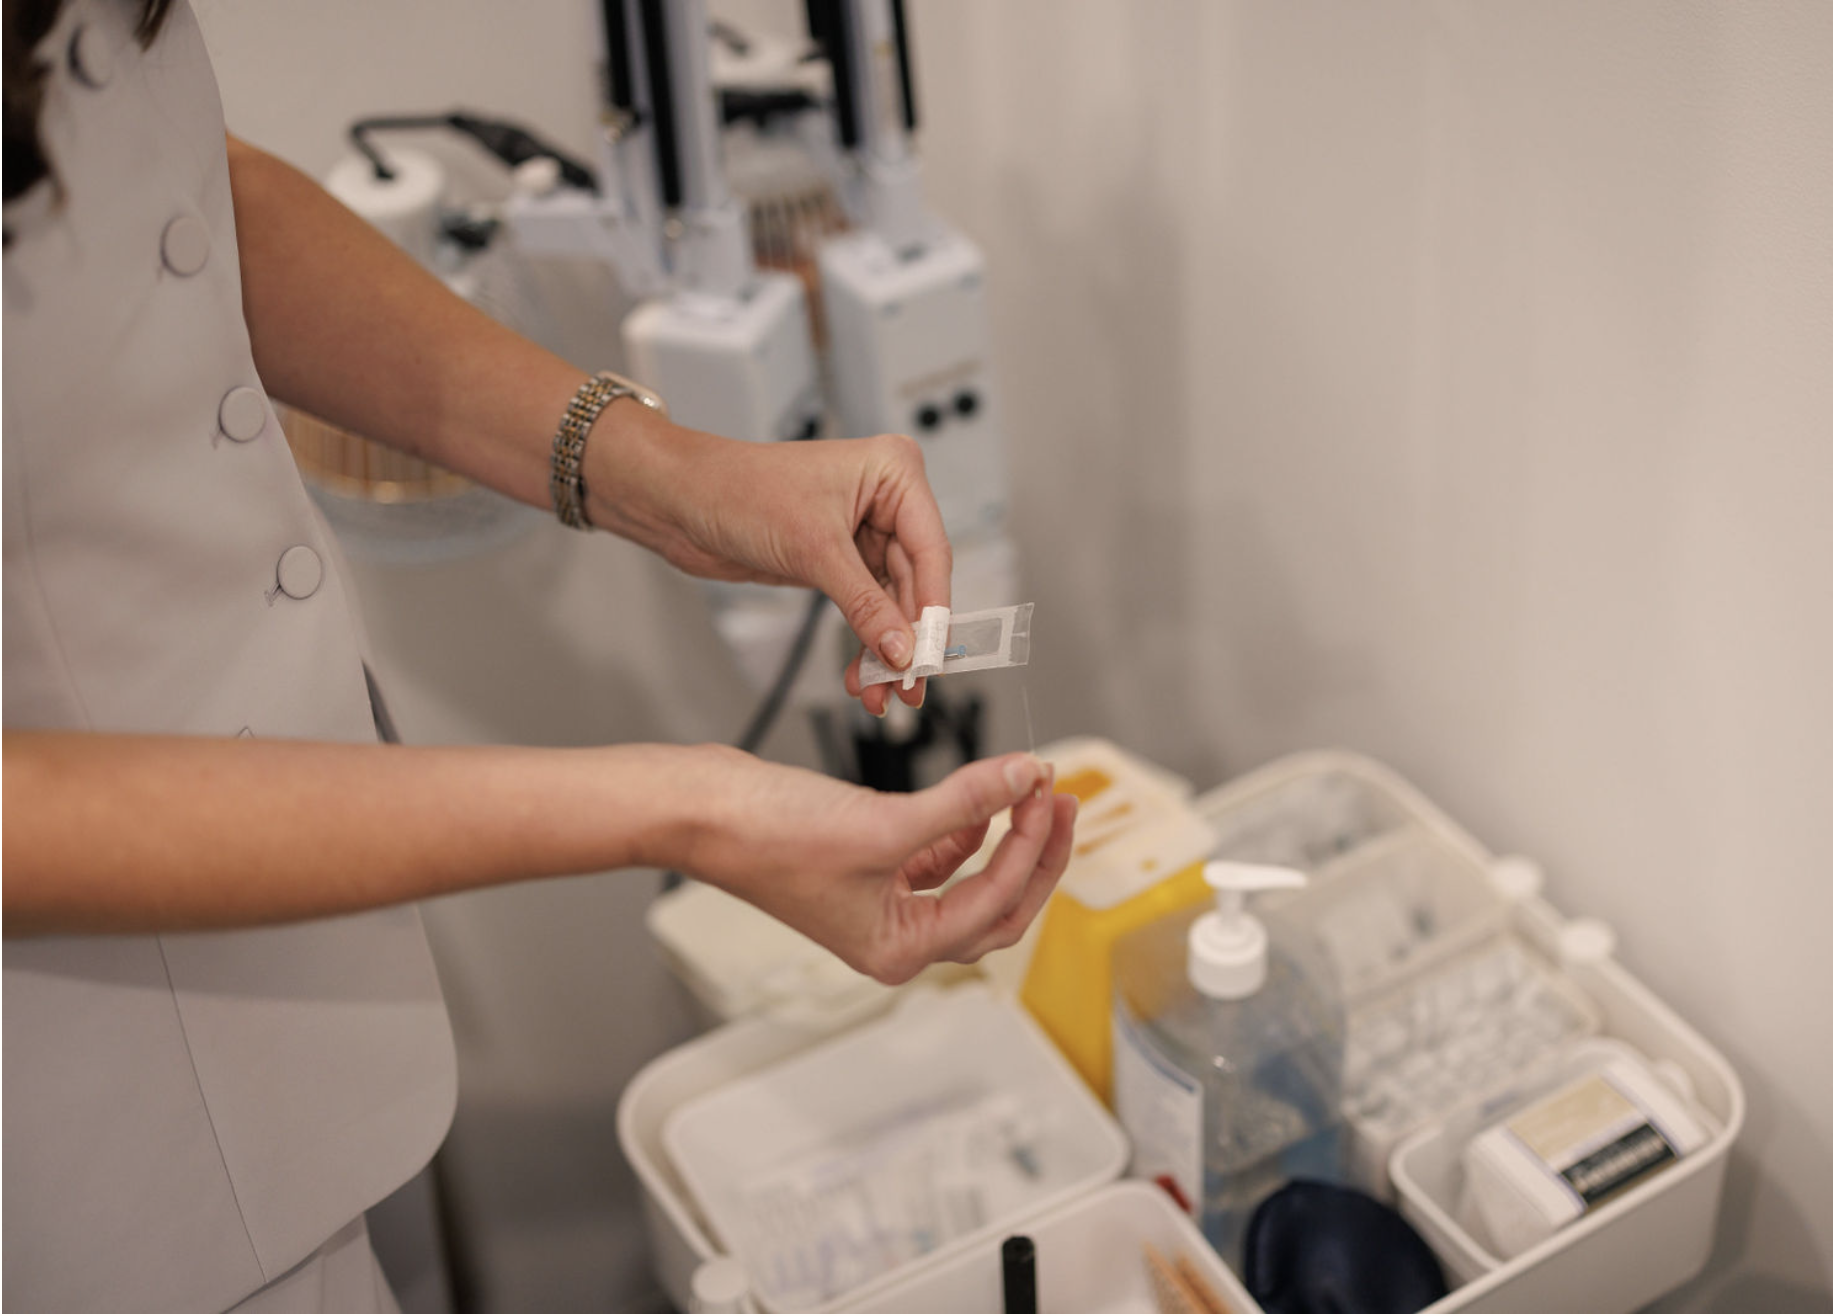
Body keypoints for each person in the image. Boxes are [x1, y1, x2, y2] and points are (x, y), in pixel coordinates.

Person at [1, 0, 1077, 1308]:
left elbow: (175, 190)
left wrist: (662, 473)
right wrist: (687, 808)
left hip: (309, 977)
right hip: (91, 1141)